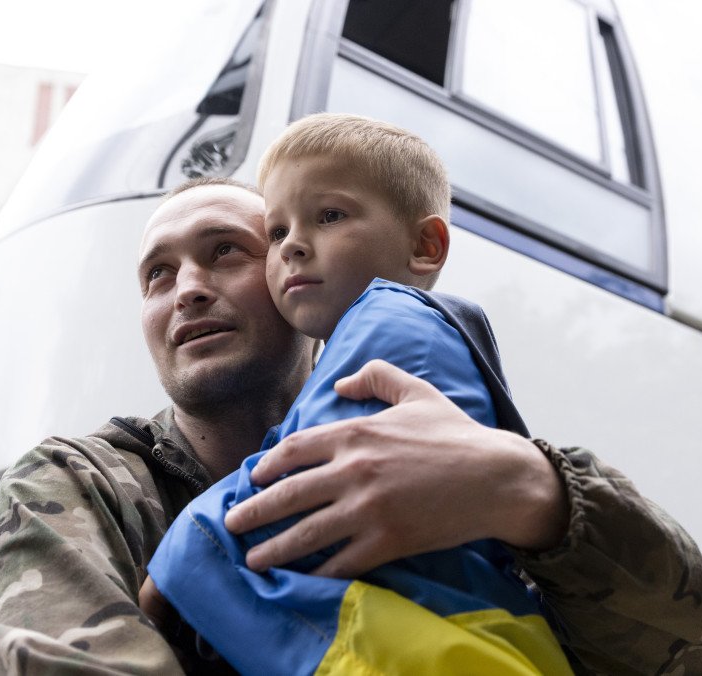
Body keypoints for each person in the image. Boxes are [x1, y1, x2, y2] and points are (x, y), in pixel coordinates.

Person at [0, 178, 702, 674]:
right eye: (158, 275)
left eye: (225, 252)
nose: (187, 289)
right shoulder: (78, 483)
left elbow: (686, 659)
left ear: (297, 279)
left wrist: (527, 490)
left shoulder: (447, 437)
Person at [146, 113, 572, 674]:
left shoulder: (391, 323)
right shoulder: (398, 333)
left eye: (329, 216)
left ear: (425, 245)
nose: (294, 245)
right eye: (277, 232)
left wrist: (182, 556)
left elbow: (301, 486)